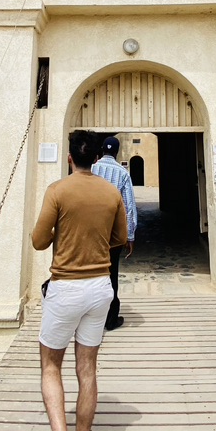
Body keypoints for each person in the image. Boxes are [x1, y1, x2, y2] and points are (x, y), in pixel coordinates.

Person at [31, 129, 127, 431]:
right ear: (97, 159)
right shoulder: (111, 191)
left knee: (50, 367)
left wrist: (62, 230)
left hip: (66, 288)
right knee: (87, 370)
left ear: (71, 158)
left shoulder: (58, 191)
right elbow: (120, 237)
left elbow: (39, 240)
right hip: (100, 287)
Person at [91, 135, 137, 331]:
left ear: (101, 149)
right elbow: (129, 208)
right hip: (112, 235)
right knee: (111, 275)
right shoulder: (122, 173)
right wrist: (130, 236)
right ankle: (110, 319)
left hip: (89, 233)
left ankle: (89, 318)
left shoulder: (90, 169)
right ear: (117, 152)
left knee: (89, 273)